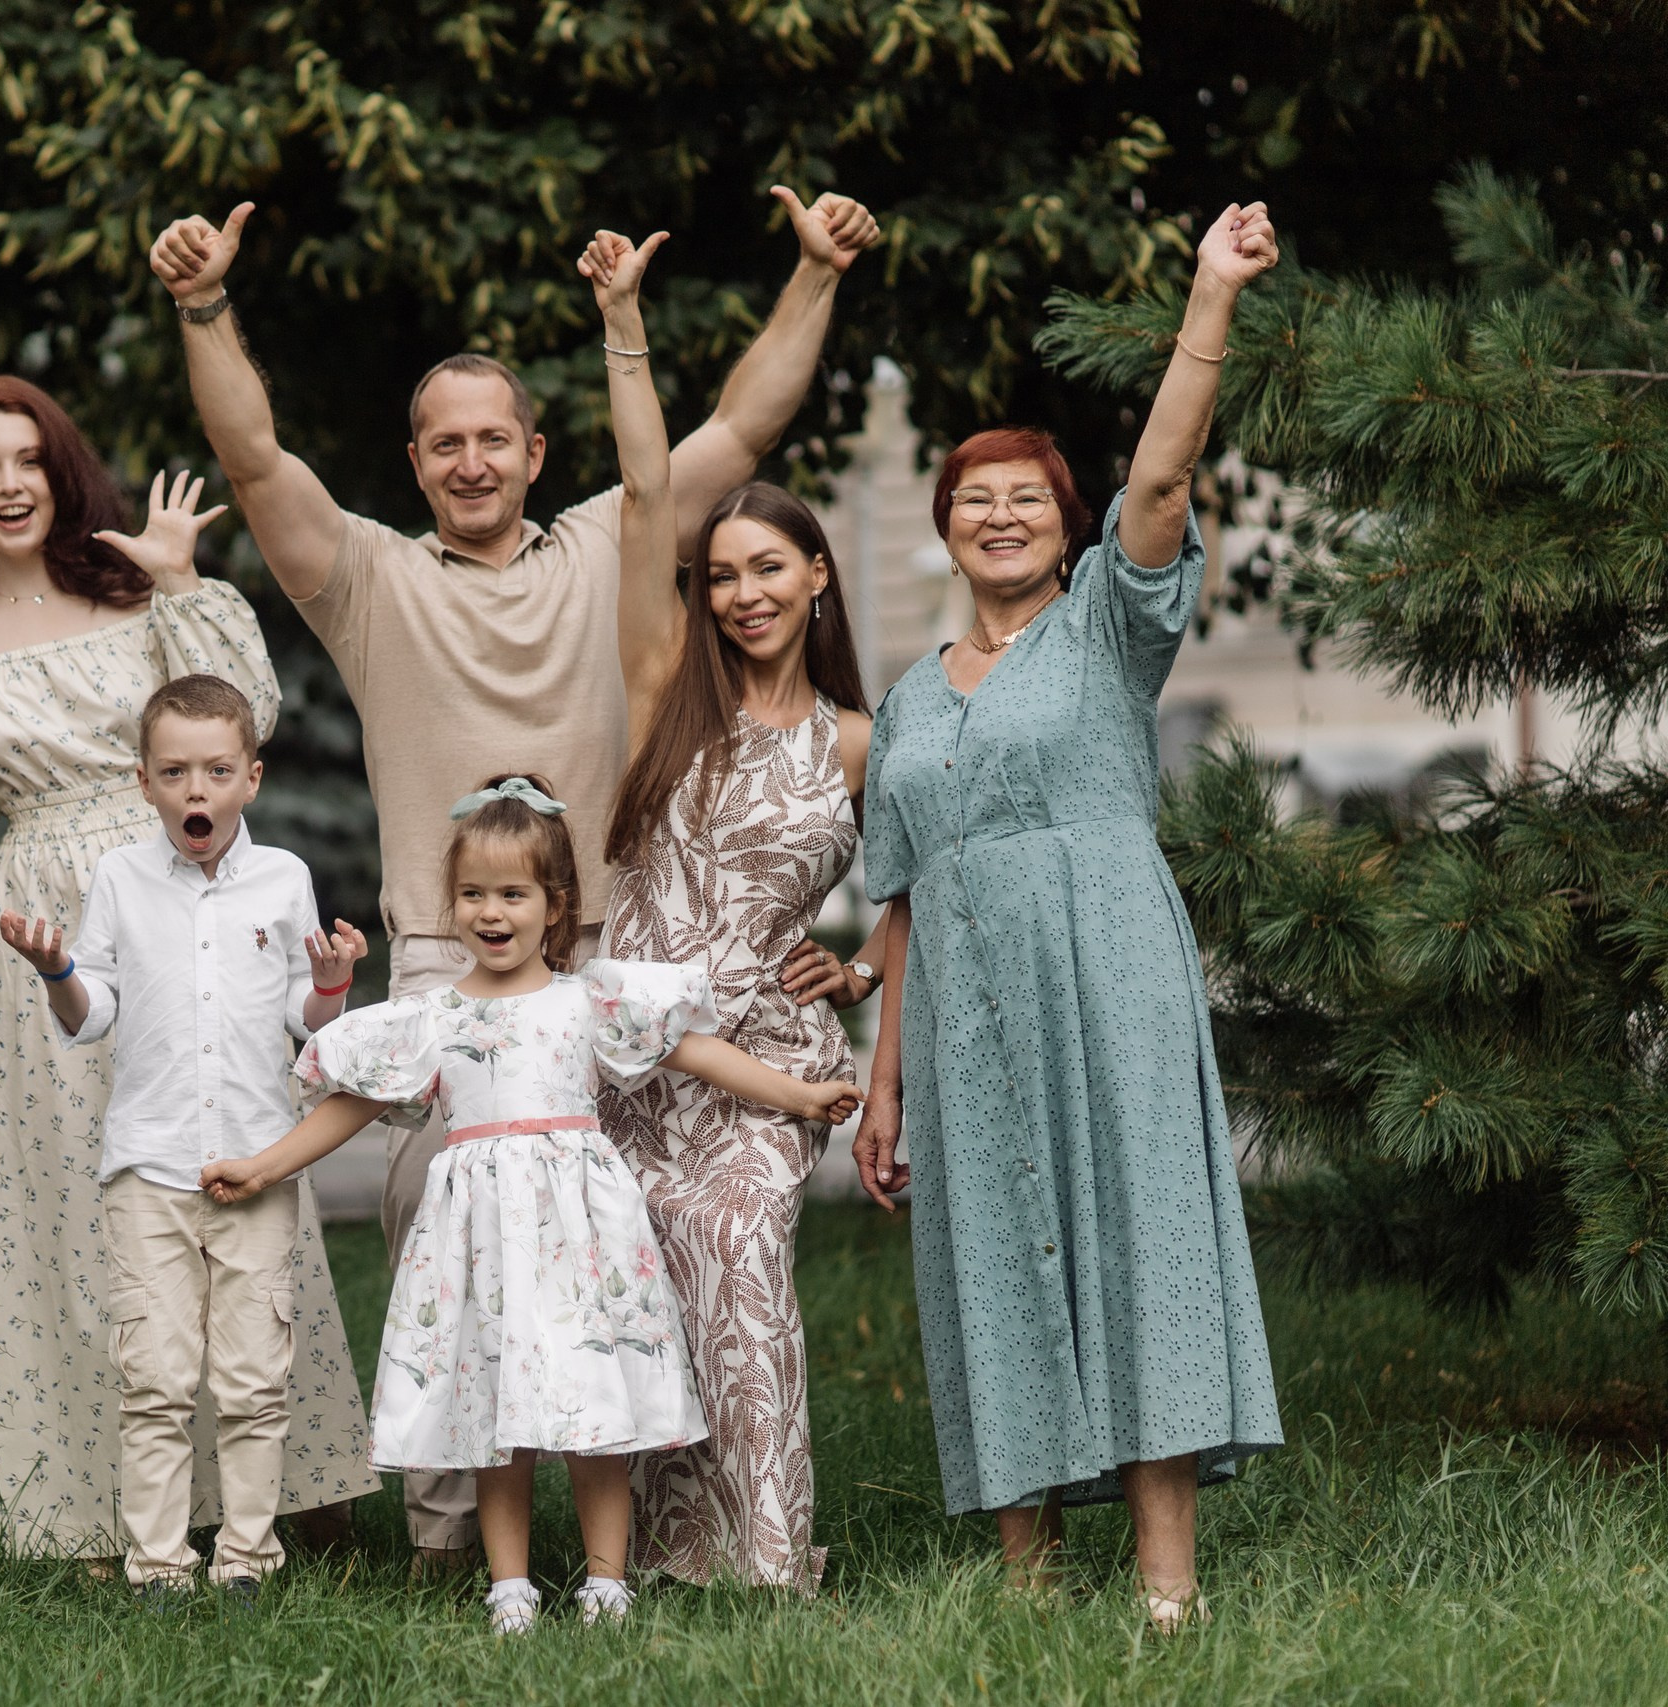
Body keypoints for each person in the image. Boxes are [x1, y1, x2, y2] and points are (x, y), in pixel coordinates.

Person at [149, 185, 881, 1566]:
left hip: (620, 952)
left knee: (639, 1242)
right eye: (446, 444)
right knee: (442, 1210)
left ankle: (662, 1529)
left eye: (496, 438)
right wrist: (204, 303)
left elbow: (744, 429)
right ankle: (452, 1532)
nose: (473, 461)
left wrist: (815, 270)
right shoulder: (365, 576)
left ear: (538, 451)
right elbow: (252, 459)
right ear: (415, 461)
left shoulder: (612, 539)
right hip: (452, 959)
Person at [0, 379, 376, 1563]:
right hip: (51, 941)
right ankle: (88, 1509)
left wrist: (179, 578)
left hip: (199, 921)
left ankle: (282, 1496)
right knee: (85, 1213)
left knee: (237, 1177)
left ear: (61, 468)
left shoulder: (139, 600)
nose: (10, 483)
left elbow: (252, 716)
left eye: (28, 458)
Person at [852, 203, 1290, 1632]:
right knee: (990, 1254)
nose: (999, 513)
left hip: (1108, 971)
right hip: (962, 1009)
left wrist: (1208, 298)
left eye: (1028, 496)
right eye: (973, 496)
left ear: (1069, 521)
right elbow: (900, 896)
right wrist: (882, 1080)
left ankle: (1170, 1592)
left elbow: (1162, 473)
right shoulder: (911, 698)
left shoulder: (1111, 617)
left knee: (1141, 1236)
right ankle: (1027, 1586)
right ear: (944, 527)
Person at [202, 777, 861, 1631]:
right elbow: (352, 1104)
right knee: (495, 1414)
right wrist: (263, 1165)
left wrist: (798, 1096)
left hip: (580, 1237)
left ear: (554, 906)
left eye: (512, 893)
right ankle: (509, 1585)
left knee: (597, 1413)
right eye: (473, 893)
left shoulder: (587, 1000)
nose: (490, 911)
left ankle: (606, 1581)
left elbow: (696, 1052)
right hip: (480, 1244)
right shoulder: (434, 1017)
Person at [577, 228, 874, 1591]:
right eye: (725, 574)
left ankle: (763, 1555)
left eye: (773, 568)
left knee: (739, 1257)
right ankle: (634, 1551)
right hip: (629, 1054)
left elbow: (928, 880)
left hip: (767, 1070)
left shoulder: (864, 740)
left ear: (818, 579)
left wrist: (864, 968)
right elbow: (647, 492)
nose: (745, 592)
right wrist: (622, 319)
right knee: (629, 1278)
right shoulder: (662, 692)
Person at [0, 674, 369, 1604]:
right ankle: (158, 1563)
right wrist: (56, 971)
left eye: (215, 770)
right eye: (174, 772)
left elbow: (303, 1019)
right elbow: (93, 1015)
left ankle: (247, 1555)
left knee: (252, 1380)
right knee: (156, 1379)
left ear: (252, 777)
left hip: (256, 1162)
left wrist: (330, 981)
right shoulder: (120, 876)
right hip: (149, 1170)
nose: (195, 790)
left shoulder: (284, 878)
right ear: (144, 781)